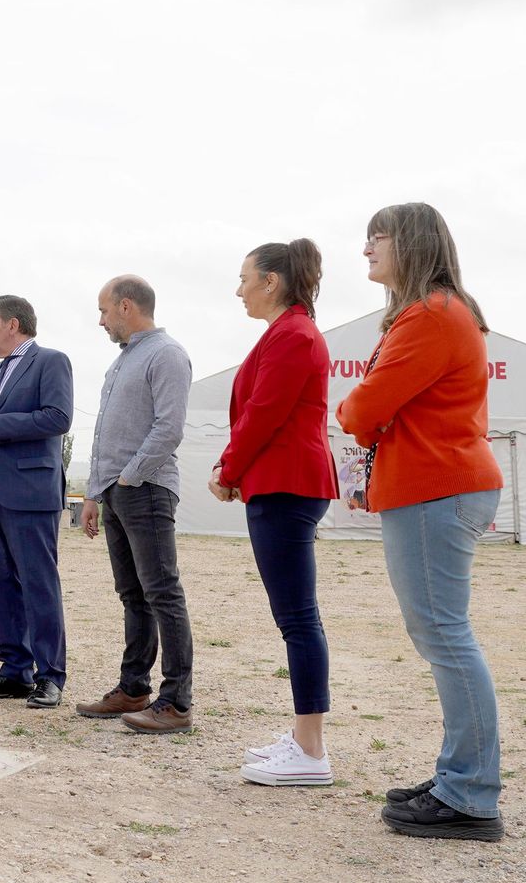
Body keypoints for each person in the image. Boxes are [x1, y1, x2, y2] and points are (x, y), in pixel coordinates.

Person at [337, 203, 506, 842]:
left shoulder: (430, 315)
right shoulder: (438, 312)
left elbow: (364, 408)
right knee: (444, 634)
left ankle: (469, 793)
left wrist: (356, 406)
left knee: (445, 636)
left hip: (435, 486)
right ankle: (459, 779)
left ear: (408, 241)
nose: (366, 251)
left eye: (375, 238)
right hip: (438, 484)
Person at [207, 241, 339, 786]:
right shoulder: (287, 333)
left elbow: (264, 414)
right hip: (282, 482)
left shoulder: (293, 335)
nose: (238, 290)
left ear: (272, 281)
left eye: (244, 279)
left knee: (297, 617)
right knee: (295, 616)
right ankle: (306, 740)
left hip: (287, 483)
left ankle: (311, 751)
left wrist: (228, 469)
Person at [76, 276, 195, 734]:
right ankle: (133, 687)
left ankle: (177, 702)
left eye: (104, 310)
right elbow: (107, 432)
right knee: (133, 594)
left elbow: (169, 427)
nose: (101, 320)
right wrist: (94, 492)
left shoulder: (166, 354)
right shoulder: (121, 362)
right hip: (116, 491)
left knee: (162, 592)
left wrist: (130, 476)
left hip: (145, 488)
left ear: (127, 306)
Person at [0, 296, 73, 709]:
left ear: (13, 324)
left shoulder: (51, 361)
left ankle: (50, 676)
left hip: (31, 493)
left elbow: (57, 418)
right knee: (1, 585)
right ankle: (14, 672)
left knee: (39, 585)